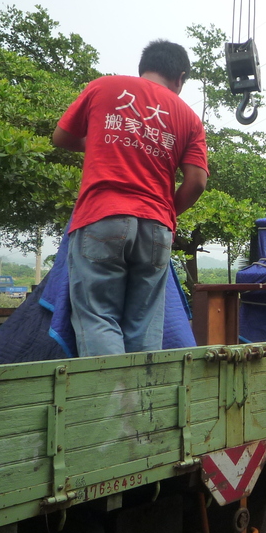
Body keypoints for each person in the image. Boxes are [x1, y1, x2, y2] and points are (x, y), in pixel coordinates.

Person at [52, 39, 208, 357]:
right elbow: (197, 182)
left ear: (143, 68)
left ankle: (111, 405)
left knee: (98, 317)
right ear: (179, 78)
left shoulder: (104, 88)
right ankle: (139, 404)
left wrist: (102, 141)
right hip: (157, 229)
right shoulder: (190, 119)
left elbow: (61, 137)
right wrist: (166, 211)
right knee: (145, 324)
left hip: (101, 217)